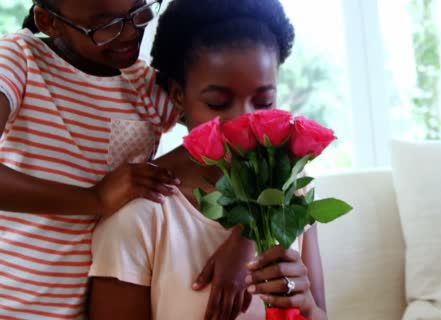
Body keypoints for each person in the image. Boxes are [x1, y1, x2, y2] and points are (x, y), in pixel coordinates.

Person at [87, 0, 328, 319]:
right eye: (218, 103)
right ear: (177, 96)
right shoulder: (141, 218)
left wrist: (306, 305)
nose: (245, 121)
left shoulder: (292, 195)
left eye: (264, 100)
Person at [0, 0, 183, 318]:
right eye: (104, 24)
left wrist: (242, 244)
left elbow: (229, 132)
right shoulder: (20, 58)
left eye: (138, 11)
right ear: (48, 21)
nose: (128, 33)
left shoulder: (149, 90)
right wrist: (94, 198)